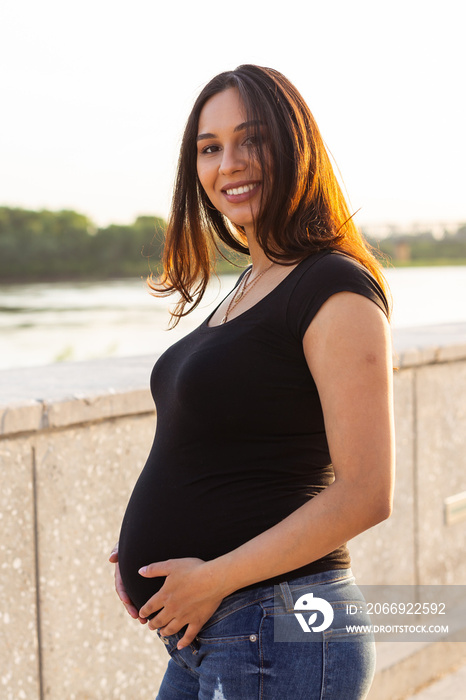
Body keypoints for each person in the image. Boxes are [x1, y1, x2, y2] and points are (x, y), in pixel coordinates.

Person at [109, 64, 395, 699]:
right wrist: (157, 544)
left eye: (252, 140)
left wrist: (211, 575)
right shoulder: (248, 285)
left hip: (277, 624)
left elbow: (367, 492)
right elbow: (234, 445)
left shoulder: (334, 287)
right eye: (210, 148)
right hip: (217, 630)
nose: (229, 163)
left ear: (295, 149)